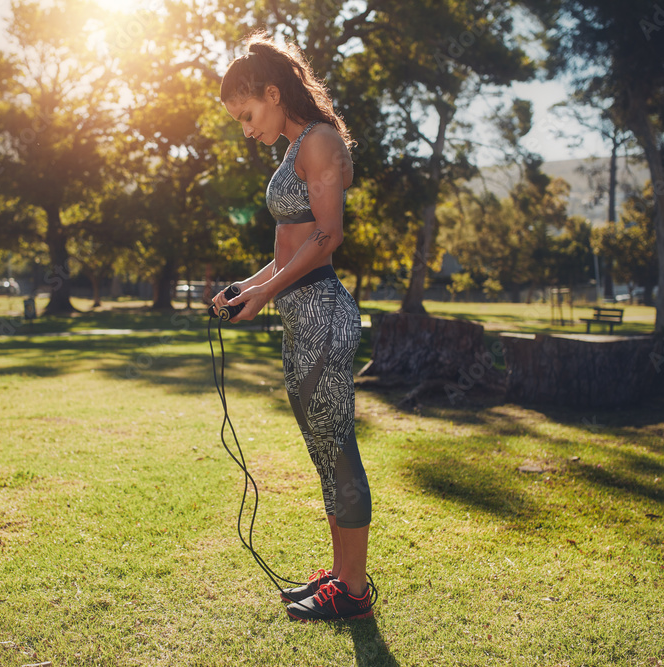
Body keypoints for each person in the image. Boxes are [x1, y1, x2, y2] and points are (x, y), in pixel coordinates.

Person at [212, 32, 374, 622]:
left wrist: (264, 293)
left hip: (322, 312)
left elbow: (327, 236)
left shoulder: (321, 142)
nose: (246, 129)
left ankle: (354, 591)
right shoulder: (294, 147)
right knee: (322, 453)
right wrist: (245, 289)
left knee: (339, 449)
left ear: (275, 95)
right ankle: (339, 574)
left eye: (248, 115)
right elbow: (288, 248)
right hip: (297, 313)